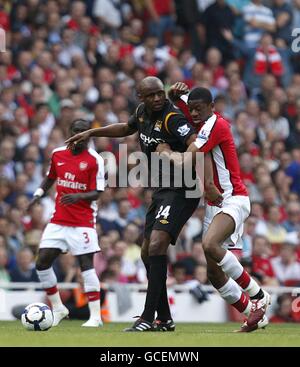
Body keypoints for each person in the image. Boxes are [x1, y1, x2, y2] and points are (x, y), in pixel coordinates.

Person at [66, 76, 222, 332]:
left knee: (158, 245)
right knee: (146, 253)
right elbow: (126, 128)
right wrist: (92, 132)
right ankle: (165, 318)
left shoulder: (172, 118)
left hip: (183, 189)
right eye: (152, 95)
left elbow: (197, 143)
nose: (158, 98)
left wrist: (181, 160)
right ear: (141, 98)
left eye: (160, 93)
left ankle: (148, 318)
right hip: (162, 190)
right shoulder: (141, 114)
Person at [157, 86, 271, 332]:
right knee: (214, 274)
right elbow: (181, 98)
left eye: (199, 109)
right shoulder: (196, 108)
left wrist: (165, 153)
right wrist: (174, 94)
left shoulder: (215, 125)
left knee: (209, 244)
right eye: (192, 109)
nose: (194, 113)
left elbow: (188, 157)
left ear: (212, 108)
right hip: (213, 205)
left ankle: (259, 295)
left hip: (234, 199)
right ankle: (252, 314)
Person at [27, 119, 105, 327]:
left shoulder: (95, 159)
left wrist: (78, 197)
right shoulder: (57, 154)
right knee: (42, 262)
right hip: (59, 220)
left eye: (83, 131)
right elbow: (50, 177)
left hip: (83, 222)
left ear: (89, 134)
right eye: (76, 130)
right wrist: (38, 194)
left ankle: (95, 317)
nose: (79, 134)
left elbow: (98, 192)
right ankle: (59, 308)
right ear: (70, 132)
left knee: (86, 267)